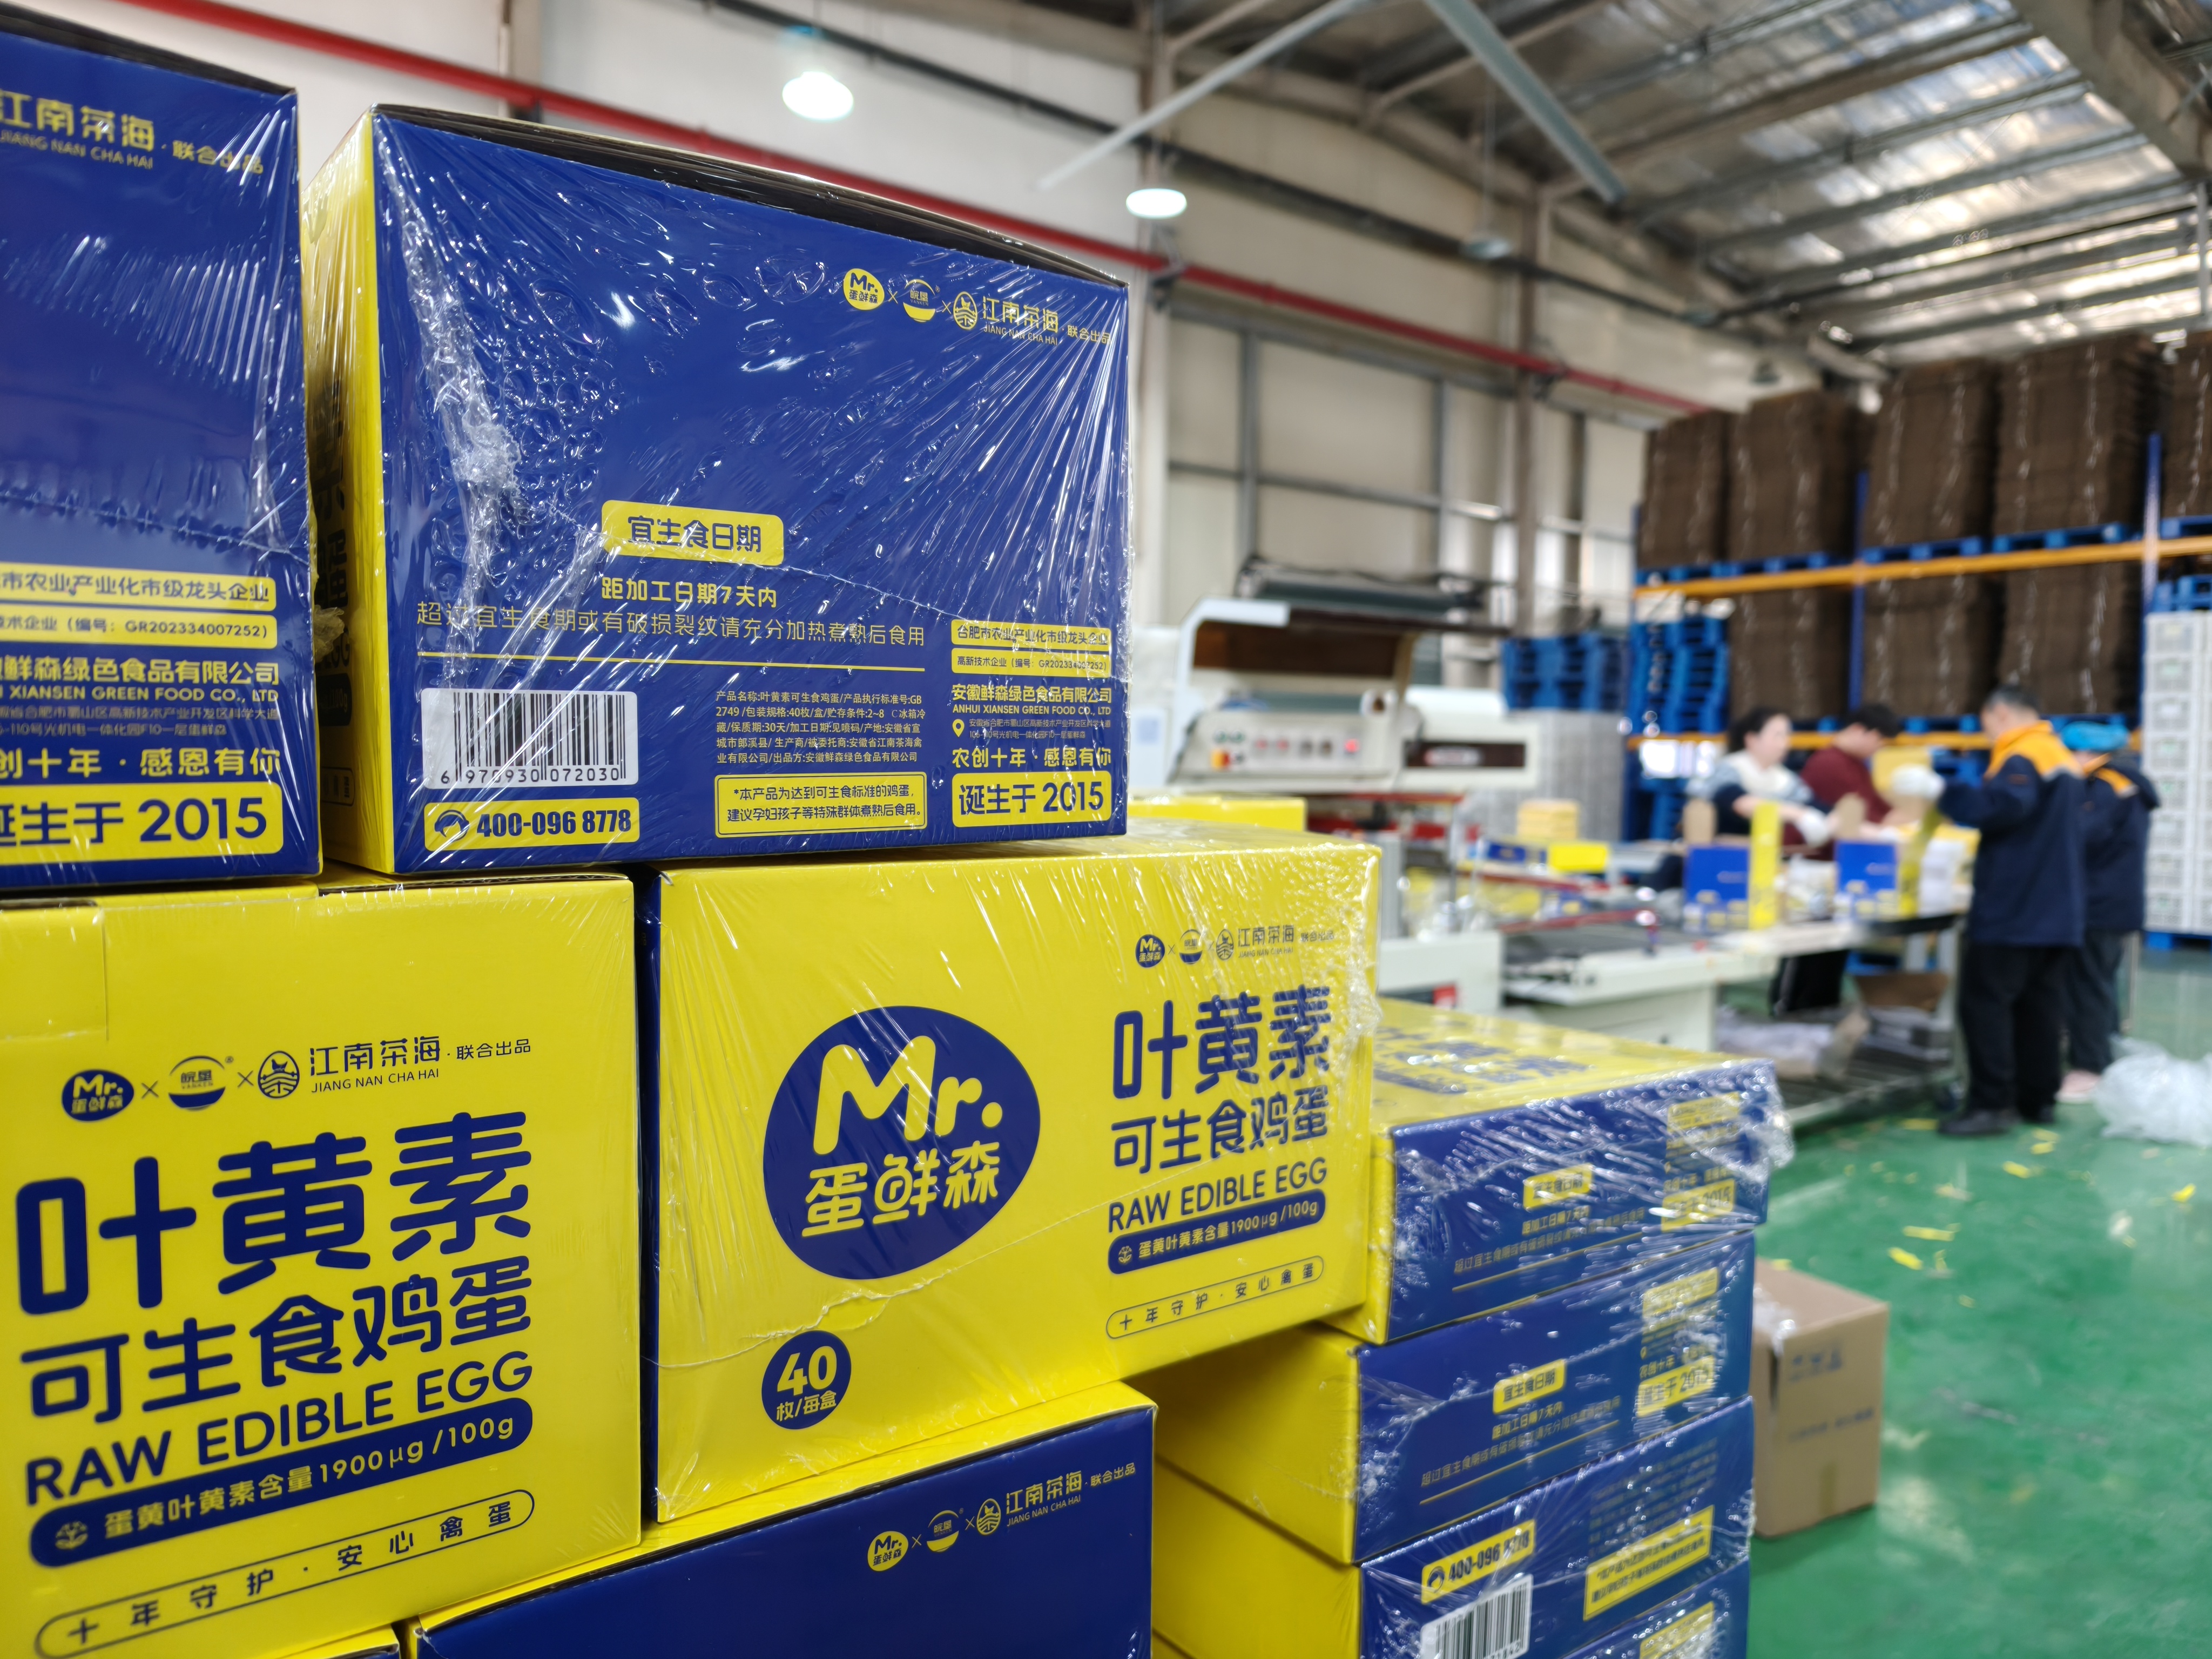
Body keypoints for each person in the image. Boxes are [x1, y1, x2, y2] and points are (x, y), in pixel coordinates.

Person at [1888, 684, 2084, 1136]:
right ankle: (2038, 1100)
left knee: (1986, 1005)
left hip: (2016, 910)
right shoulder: (2061, 757)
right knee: (2040, 1008)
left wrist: (1941, 788)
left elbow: (2004, 808)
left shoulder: (2022, 755)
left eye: (1985, 723)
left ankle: (1992, 1105)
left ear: (2000, 714)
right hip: (2057, 911)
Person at [2055, 720, 2158, 1103]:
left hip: (2098, 903)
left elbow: (2081, 835)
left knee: (2087, 986)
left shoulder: (2106, 786)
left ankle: (2089, 1068)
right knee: (2098, 983)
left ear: (2084, 753)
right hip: (2112, 902)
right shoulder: (2124, 780)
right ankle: (2105, 1053)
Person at [1694, 706, 1832, 847]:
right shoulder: (1730, 767)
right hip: (1727, 853)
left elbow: (1814, 806)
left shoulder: (1785, 778)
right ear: (1752, 739)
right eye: (1777, 735)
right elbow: (1741, 804)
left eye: (1787, 736)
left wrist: (1829, 819)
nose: (1785, 743)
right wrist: (1800, 815)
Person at [1800, 704, 1905, 826]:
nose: (1880, 747)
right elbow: (1863, 817)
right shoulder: (1829, 763)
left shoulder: (1855, 763)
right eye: (1879, 739)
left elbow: (1878, 805)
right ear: (1858, 730)